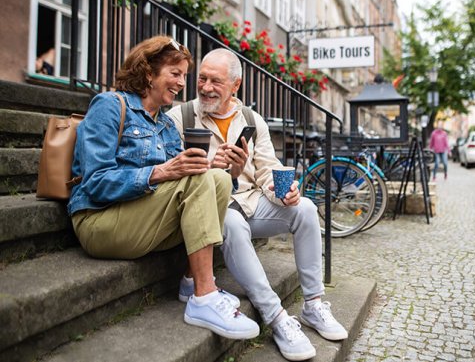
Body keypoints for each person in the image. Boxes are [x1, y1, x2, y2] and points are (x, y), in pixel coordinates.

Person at [68, 36, 259, 340]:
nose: (183, 83)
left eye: (184, 75)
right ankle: (204, 297)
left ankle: (190, 280)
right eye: (175, 73)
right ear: (148, 73)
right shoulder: (109, 106)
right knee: (199, 178)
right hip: (99, 220)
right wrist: (160, 172)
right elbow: (95, 183)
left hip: (141, 217)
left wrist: (222, 166)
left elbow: (184, 184)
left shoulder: (167, 124)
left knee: (219, 178)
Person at [168, 48, 347, 361]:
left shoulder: (251, 119)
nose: (206, 86)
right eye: (203, 78)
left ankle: (314, 304)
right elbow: (172, 170)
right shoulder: (179, 117)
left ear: (235, 85)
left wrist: (286, 191)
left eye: (216, 81)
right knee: (232, 223)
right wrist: (214, 165)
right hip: (212, 209)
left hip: (250, 202)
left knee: (304, 208)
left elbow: (268, 169)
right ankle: (276, 317)